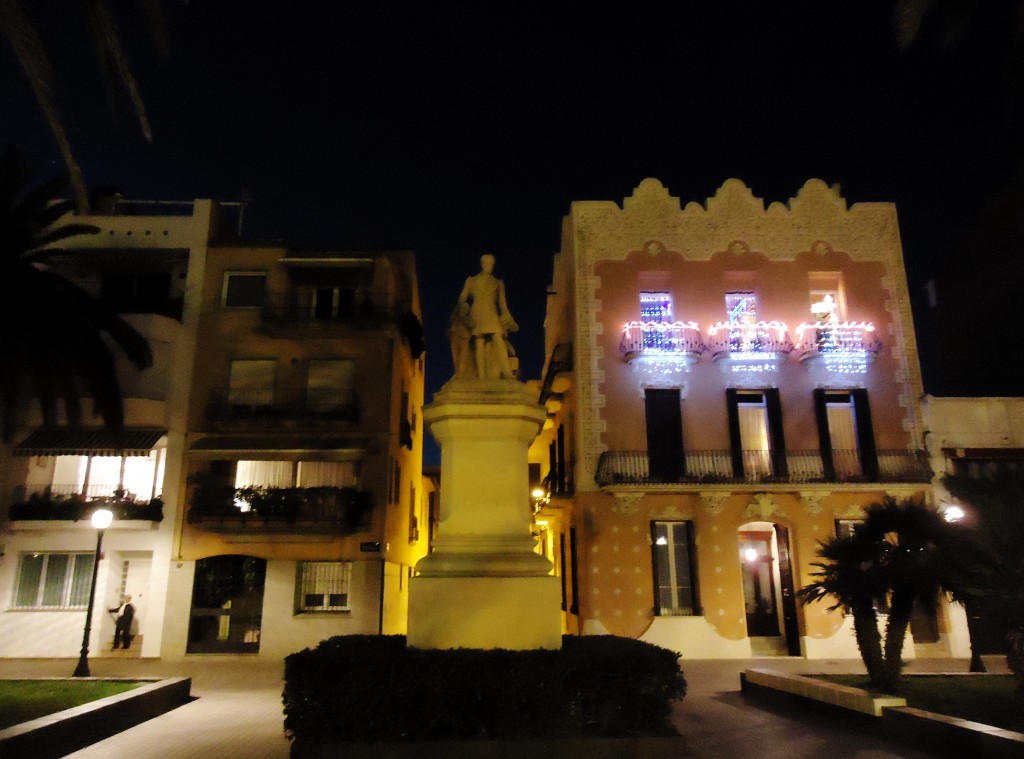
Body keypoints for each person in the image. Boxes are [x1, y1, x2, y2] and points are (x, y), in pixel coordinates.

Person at [456, 254, 518, 380]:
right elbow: (462, 298)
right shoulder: (472, 281)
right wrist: (463, 308)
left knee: (498, 338)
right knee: (479, 342)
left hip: (491, 313)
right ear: (482, 264)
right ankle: (482, 376)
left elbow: (502, 304)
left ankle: (506, 372)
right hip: (477, 313)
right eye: (487, 263)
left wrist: (509, 318)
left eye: (492, 264)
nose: (489, 266)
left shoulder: (498, 283)